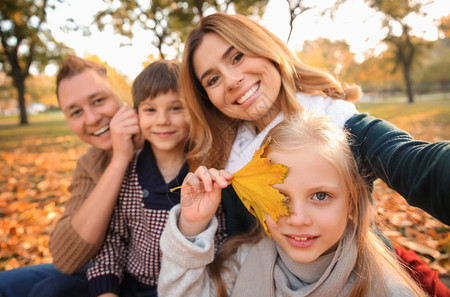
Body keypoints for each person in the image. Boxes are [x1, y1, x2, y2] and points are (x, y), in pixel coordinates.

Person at [179, 13, 449, 232]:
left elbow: (414, 162)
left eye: (237, 56)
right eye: (212, 79)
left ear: (266, 49)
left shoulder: (342, 126)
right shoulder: (226, 169)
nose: (231, 80)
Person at [158, 112, 429, 297]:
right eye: (281, 197)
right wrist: (192, 226)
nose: (297, 218)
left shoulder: (387, 289)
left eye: (320, 196)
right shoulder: (239, 263)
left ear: (352, 201)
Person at [0, 55, 141, 297]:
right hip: (102, 270)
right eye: (76, 112)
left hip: (149, 276)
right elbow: (66, 257)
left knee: (46, 293)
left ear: (123, 95)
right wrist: (118, 161)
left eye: (98, 100)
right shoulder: (91, 162)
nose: (91, 119)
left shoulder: (163, 137)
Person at [86, 59, 227, 297]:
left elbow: (221, 242)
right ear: (136, 114)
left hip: (190, 289)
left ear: (194, 111)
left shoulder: (207, 173)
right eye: (150, 110)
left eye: (176, 108)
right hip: (131, 287)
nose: (162, 120)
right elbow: (113, 240)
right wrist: (106, 292)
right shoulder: (128, 171)